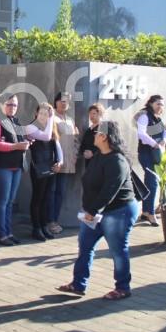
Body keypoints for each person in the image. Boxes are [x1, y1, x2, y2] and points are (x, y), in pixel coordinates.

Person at [57, 121, 139, 300]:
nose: (93, 136)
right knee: (85, 247)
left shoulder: (117, 160)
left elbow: (109, 190)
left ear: (104, 137)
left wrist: (92, 210)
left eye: (96, 133)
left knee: (118, 250)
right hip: (94, 212)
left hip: (118, 212)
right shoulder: (98, 155)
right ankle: (78, 284)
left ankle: (123, 287)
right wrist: (89, 209)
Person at [0, 93, 31, 246]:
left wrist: (26, 142)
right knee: (2, 202)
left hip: (16, 167)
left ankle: (8, 232)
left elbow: (17, 141)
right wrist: (16, 146)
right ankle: (1, 234)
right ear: (1, 105)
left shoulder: (15, 121)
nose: (13, 107)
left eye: (15, 105)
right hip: (2, 167)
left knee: (10, 202)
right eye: (9, 104)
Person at [25, 103, 63, 241]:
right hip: (38, 169)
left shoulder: (49, 128)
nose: (43, 116)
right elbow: (46, 137)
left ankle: (43, 226)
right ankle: (36, 228)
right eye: (41, 113)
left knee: (46, 198)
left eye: (46, 114)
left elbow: (56, 144)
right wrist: (52, 118)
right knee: (37, 198)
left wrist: (60, 161)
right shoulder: (31, 127)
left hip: (50, 167)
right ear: (36, 114)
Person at [48, 92, 79, 235]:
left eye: (66, 101)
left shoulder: (71, 120)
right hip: (54, 160)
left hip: (68, 161)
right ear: (55, 102)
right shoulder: (51, 117)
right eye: (61, 100)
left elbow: (75, 139)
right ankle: (48, 221)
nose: (63, 103)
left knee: (60, 192)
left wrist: (75, 154)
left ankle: (54, 220)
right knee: (50, 191)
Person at [136, 95, 166, 226]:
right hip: (146, 153)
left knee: (150, 181)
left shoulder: (157, 119)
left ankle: (145, 212)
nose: (160, 107)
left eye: (162, 104)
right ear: (151, 104)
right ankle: (150, 213)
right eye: (158, 104)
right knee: (153, 182)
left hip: (155, 154)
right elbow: (141, 134)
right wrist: (154, 143)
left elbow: (165, 133)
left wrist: (163, 141)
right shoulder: (144, 116)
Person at [79, 103, 105, 167]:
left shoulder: (104, 127)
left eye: (94, 113)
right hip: (88, 162)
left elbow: (105, 146)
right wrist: (83, 152)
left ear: (100, 114)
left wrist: (93, 153)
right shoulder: (89, 129)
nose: (91, 116)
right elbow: (83, 144)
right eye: (90, 113)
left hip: (99, 162)